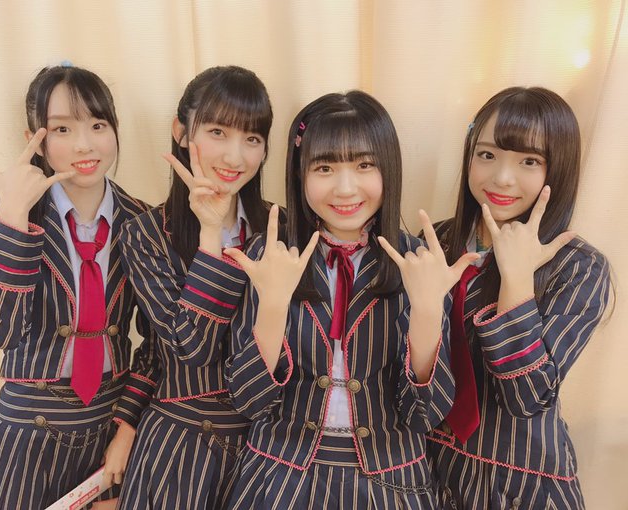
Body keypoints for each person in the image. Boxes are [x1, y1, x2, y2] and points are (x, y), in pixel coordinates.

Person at [223, 91, 476, 509]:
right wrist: (273, 305)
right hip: (278, 476)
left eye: (364, 165)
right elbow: (249, 401)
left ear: (388, 168)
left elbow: (425, 415)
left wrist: (428, 311)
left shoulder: (419, 261)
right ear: (300, 173)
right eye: (324, 167)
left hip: (391, 482)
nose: (345, 188)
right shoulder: (269, 254)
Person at [0, 64, 153, 509]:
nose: (85, 144)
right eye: (63, 129)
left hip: (110, 434)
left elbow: (159, 343)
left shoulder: (143, 222)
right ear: (35, 139)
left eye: (98, 125)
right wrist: (13, 220)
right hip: (24, 435)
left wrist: (128, 427)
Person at [424, 87, 612, 510]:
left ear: (558, 167)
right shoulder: (435, 242)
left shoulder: (579, 267)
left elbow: (528, 397)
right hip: (427, 470)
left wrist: (516, 281)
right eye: (487, 155)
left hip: (520, 482)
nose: (502, 178)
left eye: (529, 161)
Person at [114, 65, 275, 509]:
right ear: (181, 133)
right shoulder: (145, 233)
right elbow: (191, 347)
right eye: (218, 132)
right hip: (177, 447)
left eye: (252, 138)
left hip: (265, 451)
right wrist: (211, 234)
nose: (235, 157)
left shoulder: (281, 229)